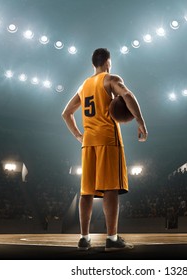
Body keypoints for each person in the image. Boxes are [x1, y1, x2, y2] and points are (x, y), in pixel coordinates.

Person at [62, 48, 148, 251]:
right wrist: (141, 122)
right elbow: (127, 95)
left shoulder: (84, 86)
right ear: (108, 62)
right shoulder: (110, 79)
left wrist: (78, 135)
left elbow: (66, 113)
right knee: (110, 189)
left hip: (88, 141)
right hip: (108, 139)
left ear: (94, 63)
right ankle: (112, 239)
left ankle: (84, 238)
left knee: (86, 191)